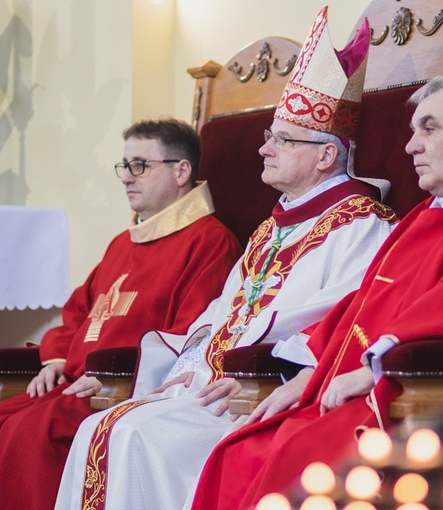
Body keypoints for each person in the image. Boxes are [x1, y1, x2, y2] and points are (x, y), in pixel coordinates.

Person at [189, 72, 443, 510]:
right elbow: (361, 306)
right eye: (413, 131)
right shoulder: (425, 216)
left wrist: (376, 367)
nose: (410, 146)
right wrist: (309, 371)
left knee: (293, 459)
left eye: (429, 128)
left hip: (424, 391)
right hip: (359, 386)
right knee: (237, 452)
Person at [55, 9, 397, 510]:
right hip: (216, 386)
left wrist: (253, 371)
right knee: (97, 429)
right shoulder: (271, 227)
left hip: (264, 390)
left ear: (326, 156)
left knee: (137, 438)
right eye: (268, 136)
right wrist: (189, 368)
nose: (264, 149)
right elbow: (221, 312)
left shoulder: (362, 226)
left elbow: (343, 322)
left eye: (281, 139)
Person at [0, 118, 242, 510]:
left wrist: (117, 375)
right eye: (125, 165)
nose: (127, 177)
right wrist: (56, 358)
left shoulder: (209, 241)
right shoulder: (124, 241)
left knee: (33, 434)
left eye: (140, 165)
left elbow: (191, 335)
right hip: (74, 383)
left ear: (182, 171)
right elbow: (80, 311)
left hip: (120, 388)